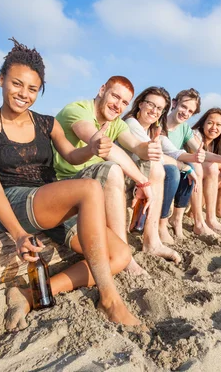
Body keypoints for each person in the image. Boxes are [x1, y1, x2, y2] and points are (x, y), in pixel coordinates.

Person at [0, 38, 140, 330]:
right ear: (1, 80)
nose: (24, 94)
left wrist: (94, 147)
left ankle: (28, 294)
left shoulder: (47, 123)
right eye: (16, 84)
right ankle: (110, 300)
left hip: (50, 201)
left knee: (121, 254)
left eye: (32, 89)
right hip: (16, 202)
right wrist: (20, 235)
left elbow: (72, 156)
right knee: (89, 189)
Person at [53, 77, 181, 275]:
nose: (118, 105)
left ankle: (152, 241)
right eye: (115, 96)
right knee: (112, 168)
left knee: (156, 166)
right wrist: (141, 181)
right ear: (102, 89)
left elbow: (136, 146)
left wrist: (148, 149)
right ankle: (124, 255)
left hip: (97, 182)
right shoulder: (78, 109)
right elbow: (101, 144)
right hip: (68, 183)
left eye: (124, 102)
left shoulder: (117, 123)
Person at [122, 86, 202, 243]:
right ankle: (158, 225)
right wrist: (185, 167)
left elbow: (173, 153)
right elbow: (156, 156)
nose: (154, 111)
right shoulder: (131, 123)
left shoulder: (153, 131)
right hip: (129, 175)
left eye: (159, 108)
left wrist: (192, 164)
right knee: (172, 170)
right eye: (151, 104)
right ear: (140, 104)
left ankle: (172, 221)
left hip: (142, 174)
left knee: (183, 172)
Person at [165, 89, 221, 236]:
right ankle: (198, 222)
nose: (186, 112)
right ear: (174, 103)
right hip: (165, 165)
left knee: (211, 166)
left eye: (190, 111)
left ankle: (210, 219)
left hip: (178, 164)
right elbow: (174, 153)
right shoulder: (160, 123)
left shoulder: (184, 127)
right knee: (196, 166)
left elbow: (201, 152)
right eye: (184, 107)